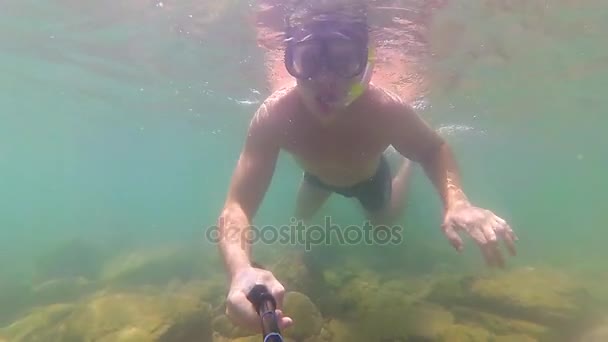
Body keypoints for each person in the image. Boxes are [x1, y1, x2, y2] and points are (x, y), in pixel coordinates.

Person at [216, 1, 517, 333]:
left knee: (383, 222)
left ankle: (404, 166)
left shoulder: (385, 110)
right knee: (300, 218)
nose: (326, 80)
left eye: (345, 61)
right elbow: (237, 205)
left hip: (368, 179)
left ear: (365, 65)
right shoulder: (274, 116)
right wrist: (240, 269)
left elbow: (433, 148)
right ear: (291, 63)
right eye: (310, 60)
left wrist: (456, 202)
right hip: (316, 177)